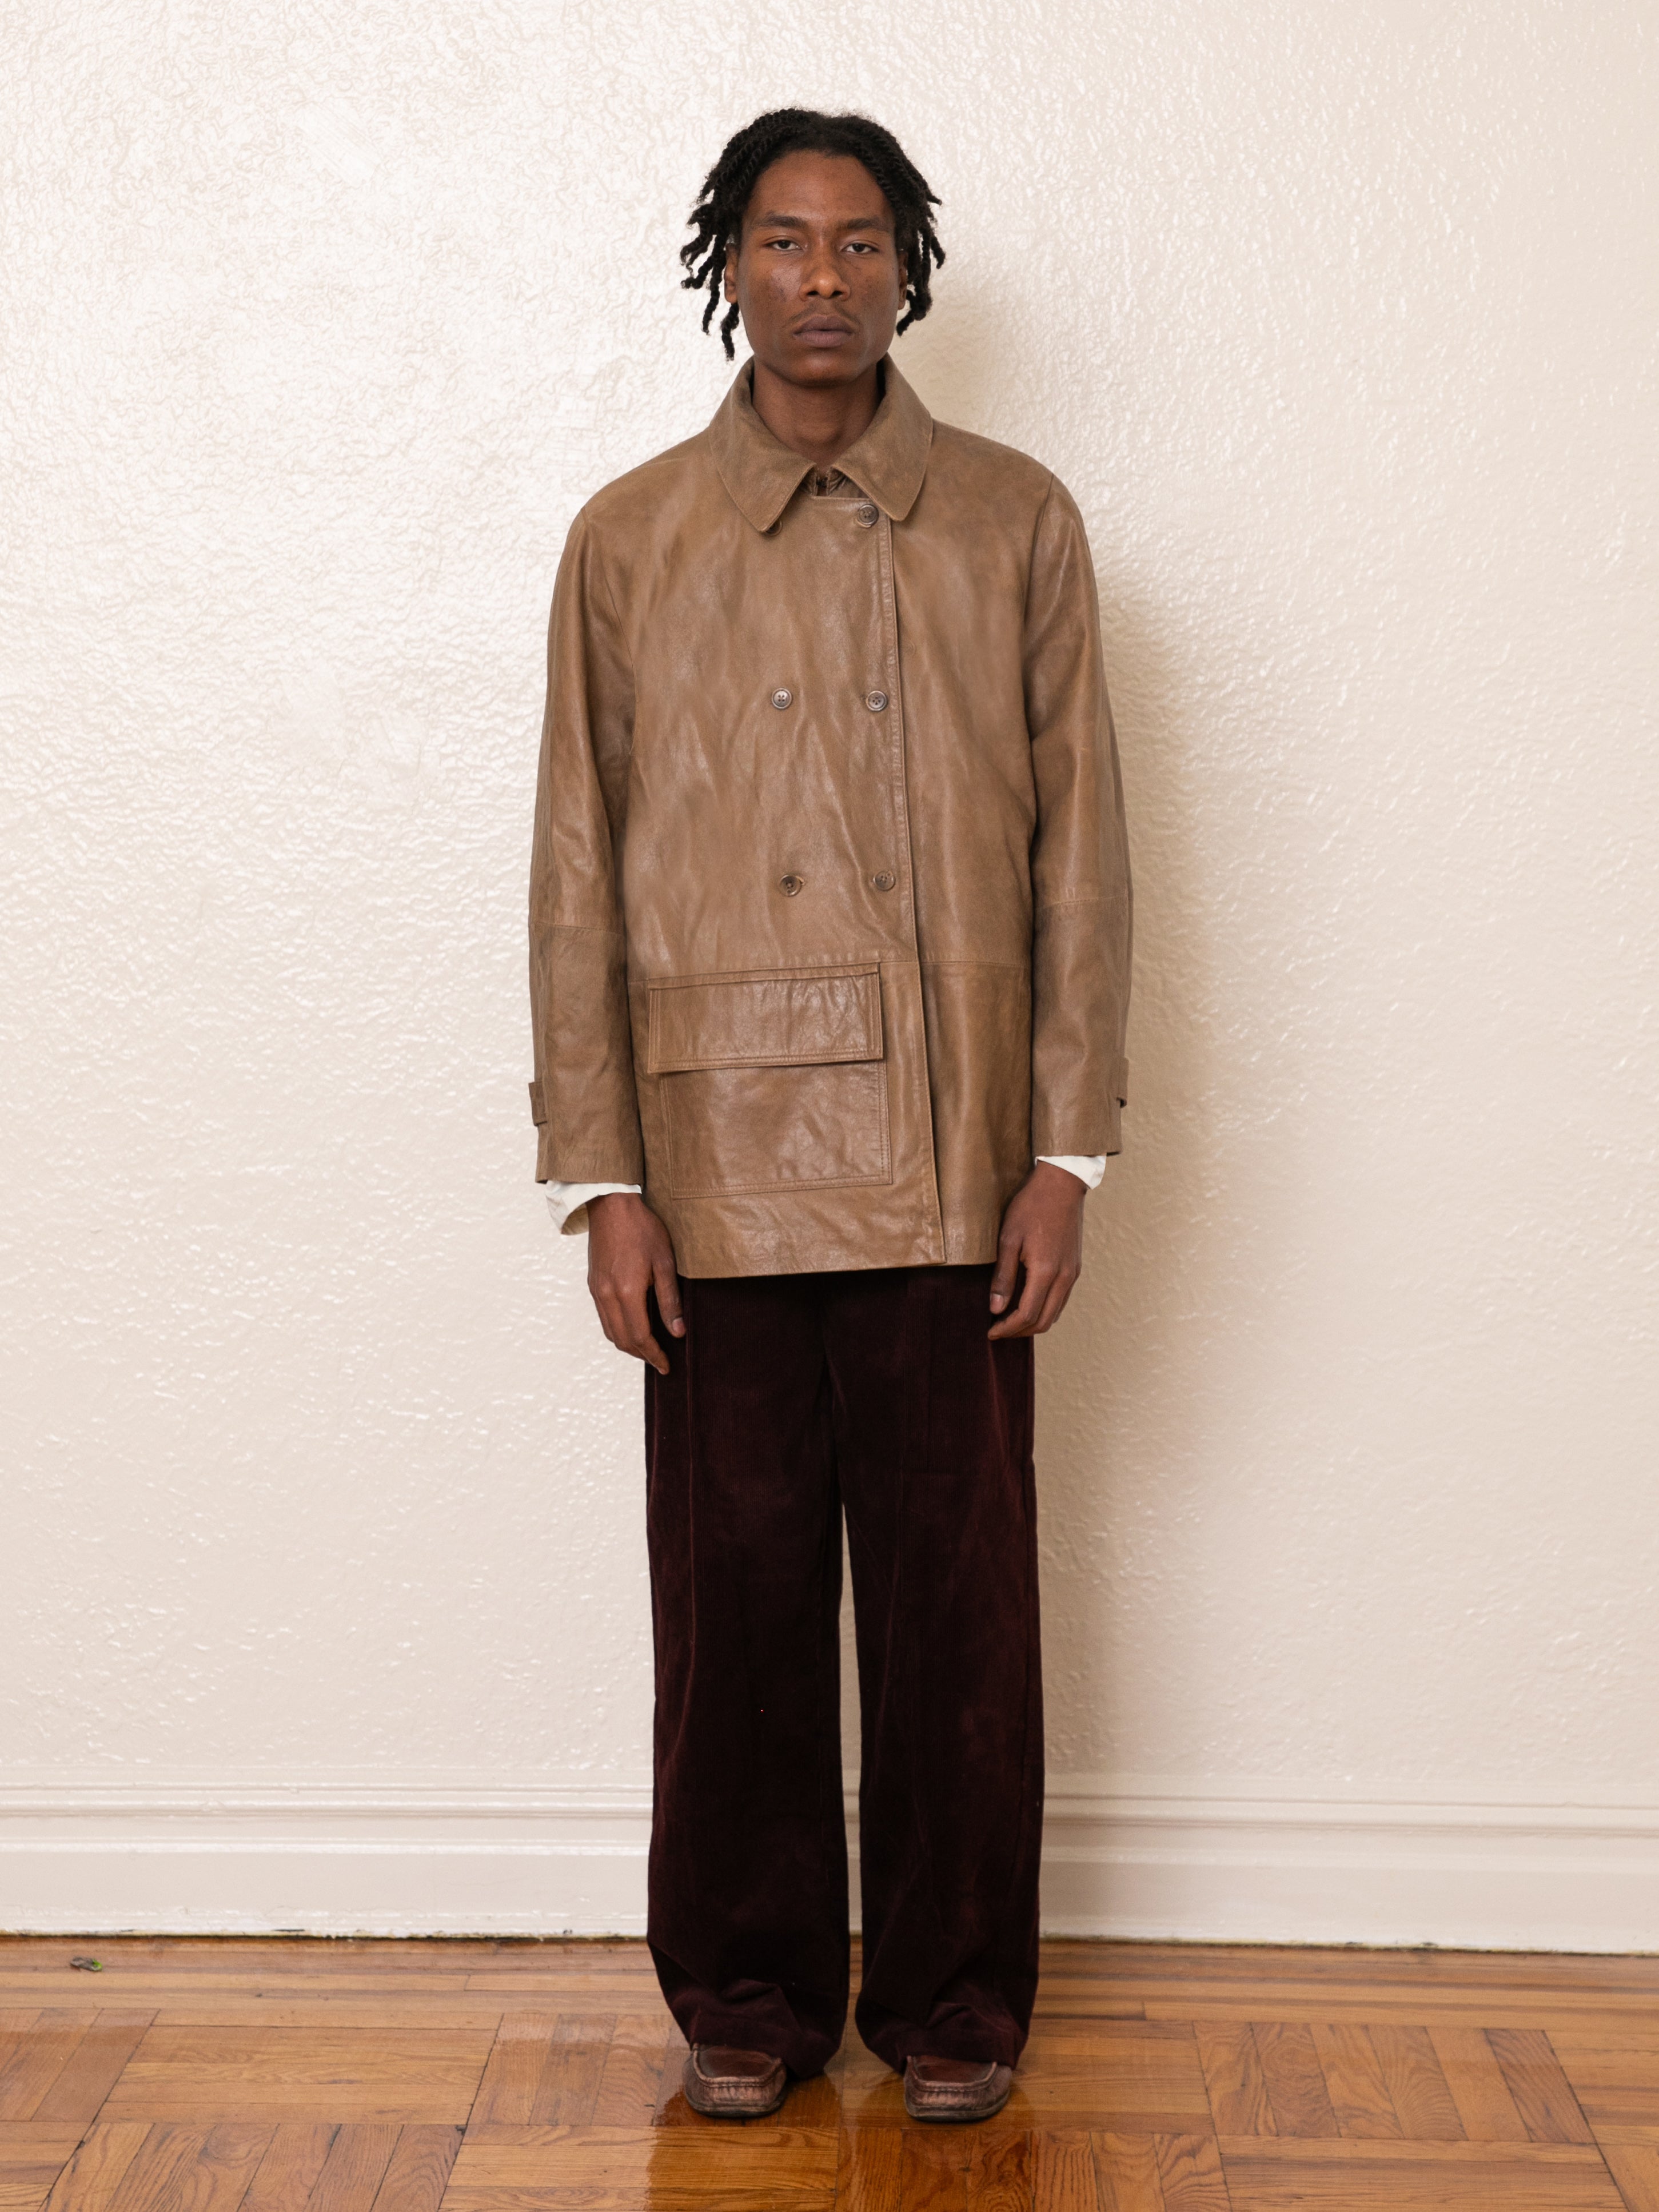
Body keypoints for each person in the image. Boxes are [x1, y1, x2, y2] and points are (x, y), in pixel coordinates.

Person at [528, 107, 1130, 2125]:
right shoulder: (628, 539)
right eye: (782, 242)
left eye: (860, 243)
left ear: (908, 269)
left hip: (963, 1153)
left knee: (961, 1614)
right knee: (740, 1606)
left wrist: (1071, 1148)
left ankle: (956, 2002)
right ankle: (750, 1998)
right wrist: (604, 1176)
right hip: (711, 1167)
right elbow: (576, 870)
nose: (822, 280)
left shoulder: (1017, 523)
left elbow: (1081, 862)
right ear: (730, 265)